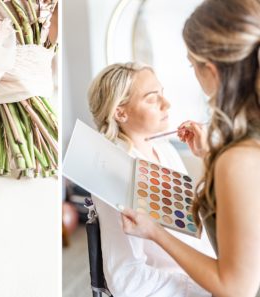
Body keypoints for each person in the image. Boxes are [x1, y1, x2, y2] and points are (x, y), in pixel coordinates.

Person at [119, 0, 260, 296]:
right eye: (151, 97)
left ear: (211, 70)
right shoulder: (239, 150)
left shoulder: (238, 159)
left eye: (191, 64)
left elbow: (236, 288)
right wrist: (211, 155)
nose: (166, 104)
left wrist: (154, 232)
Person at [88, 62, 215, 296]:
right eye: (151, 98)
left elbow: (194, 228)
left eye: (162, 94)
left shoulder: (164, 149)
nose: (167, 104)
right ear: (120, 112)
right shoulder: (117, 173)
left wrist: (206, 157)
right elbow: (128, 281)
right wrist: (198, 287)